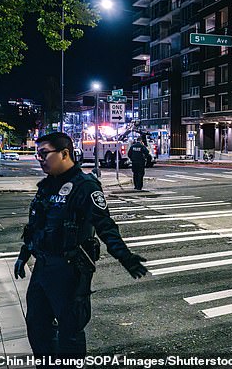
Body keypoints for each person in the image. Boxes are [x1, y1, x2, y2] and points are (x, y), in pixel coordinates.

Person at [13, 132, 147, 364]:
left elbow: (105, 226)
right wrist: (25, 253)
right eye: (38, 155)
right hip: (43, 268)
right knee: (37, 325)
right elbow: (37, 224)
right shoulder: (47, 186)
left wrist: (125, 257)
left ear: (64, 154)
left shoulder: (84, 186)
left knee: (70, 332)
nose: (40, 159)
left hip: (70, 270)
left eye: (44, 153)